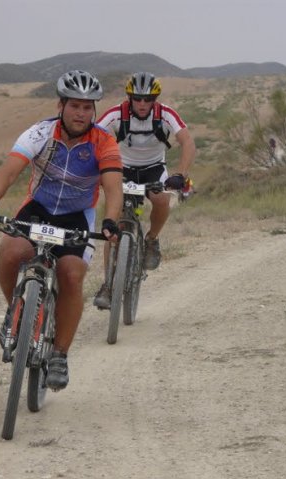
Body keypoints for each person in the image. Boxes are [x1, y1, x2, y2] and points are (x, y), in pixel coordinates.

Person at [0, 70, 123, 390]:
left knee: (71, 275)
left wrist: (110, 220)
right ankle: (16, 311)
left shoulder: (104, 141)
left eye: (87, 107)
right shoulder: (40, 132)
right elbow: (10, 169)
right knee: (11, 252)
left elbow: (112, 186)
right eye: (75, 106)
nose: (81, 113)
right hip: (39, 208)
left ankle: (59, 355)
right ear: (61, 106)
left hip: (76, 217)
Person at [93, 72, 196, 309]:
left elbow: (188, 142)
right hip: (122, 167)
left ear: (155, 99)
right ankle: (108, 285)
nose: (142, 103)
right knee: (114, 224)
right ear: (129, 97)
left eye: (147, 99)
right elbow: (92, 138)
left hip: (153, 167)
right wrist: (95, 171)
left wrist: (180, 174)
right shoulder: (116, 114)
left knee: (161, 200)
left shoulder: (166, 114)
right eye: (137, 98)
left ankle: (151, 239)